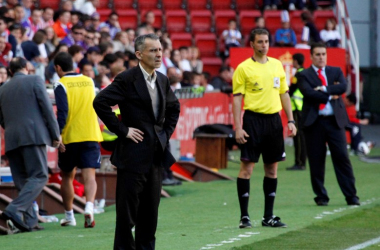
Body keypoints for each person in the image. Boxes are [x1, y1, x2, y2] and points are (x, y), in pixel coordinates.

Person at [93, 33, 180, 250]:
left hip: (155, 156)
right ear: (139, 54)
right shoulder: (126, 79)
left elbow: (174, 108)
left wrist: (164, 134)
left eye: (160, 50)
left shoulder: (162, 79)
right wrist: (122, 130)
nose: (159, 54)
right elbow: (100, 102)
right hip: (131, 157)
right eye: (153, 50)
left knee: (150, 215)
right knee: (127, 215)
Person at [232, 29, 296, 229]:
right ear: (252, 44)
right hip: (253, 121)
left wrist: (291, 120)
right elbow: (236, 99)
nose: (264, 45)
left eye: (266, 41)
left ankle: (268, 216)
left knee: (272, 168)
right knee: (247, 169)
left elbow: (284, 93)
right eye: (260, 42)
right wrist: (238, 127)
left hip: (274, 122)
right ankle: (244, 217)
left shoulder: (277, 65)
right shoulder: (243, 69)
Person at [0, 57, 60, 232]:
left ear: (10, 71)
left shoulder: (2, 89)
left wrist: (12, 129)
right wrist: (55, 134)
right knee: (39, 176)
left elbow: (1, 118)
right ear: (26, 67)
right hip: (33, 135)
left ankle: (30, 221)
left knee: (23, 181)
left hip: (11, 138)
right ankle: (14, 209)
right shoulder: (35, 80)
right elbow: (47, 109)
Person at [298, 42, 360, 206]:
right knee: (316, 161)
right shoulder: (304, 74)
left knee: (342, 157)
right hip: (314, 122)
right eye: (317, 54)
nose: (321, 57)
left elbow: (343, 87)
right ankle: (321, 196)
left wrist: (323, 89)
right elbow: (308, 93)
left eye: (323, 54)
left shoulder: (335, 71)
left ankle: (351, 196)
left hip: (334, 122)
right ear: (311, 56)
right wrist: (330, 93)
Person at [53, 52, 103, 228]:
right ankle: (89, 207)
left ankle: (69, 216)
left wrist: (58, 135)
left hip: (70, 136)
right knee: (90, 175)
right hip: (90, 133)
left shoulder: (61, 84)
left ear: (58, 68)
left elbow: (63, 112)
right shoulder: (89, 81)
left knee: (67, 176)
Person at [287, 53, 307, 170]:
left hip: (297, 108)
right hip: (303, 108)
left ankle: (299, 162)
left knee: (298, 136)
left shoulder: (298, 74)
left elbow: (291, 90)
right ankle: (301, 161)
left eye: (293, 60)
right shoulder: (306, 73)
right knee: (302, 135)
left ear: (296, 61)